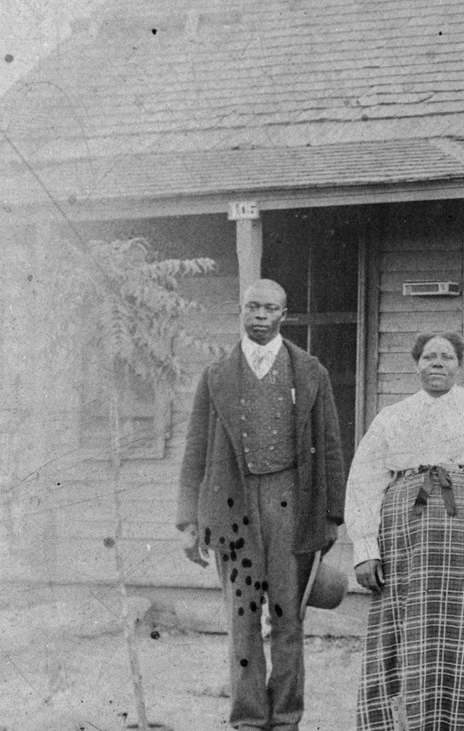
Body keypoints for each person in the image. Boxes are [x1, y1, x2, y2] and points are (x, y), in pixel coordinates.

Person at [177, 279, 347, 731]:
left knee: (288, 617)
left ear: (283, 315)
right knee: (243, 617)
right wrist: (189, 521)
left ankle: (287, 717)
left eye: (269, 309)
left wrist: (331, 516)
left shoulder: (310, 372)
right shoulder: (216, 376)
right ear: (240, 309)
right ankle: (249, 718)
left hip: (291, 503)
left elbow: (331, 447)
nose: (259, 316)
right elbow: (195, 451)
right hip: (232, 506)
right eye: (252, 307)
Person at [345, 331, 464, 730]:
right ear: (416, 364)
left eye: (446, 357)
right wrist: (365, 547)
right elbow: (365, 479)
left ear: (459, 365)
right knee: (408, 620)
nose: (437, 363)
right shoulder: (392, 416)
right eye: (429, 356)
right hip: (406, 533)